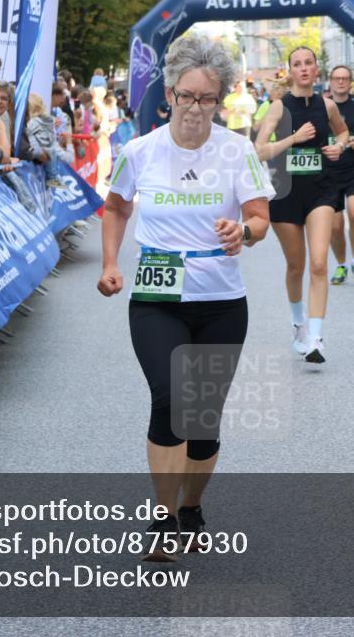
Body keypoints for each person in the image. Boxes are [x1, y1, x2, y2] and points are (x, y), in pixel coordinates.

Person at [97, 35, 272, 560]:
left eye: (207, 98)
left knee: (203, 415)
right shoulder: (139, 151)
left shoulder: (237, 150)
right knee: (171, 398)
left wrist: (246, 230)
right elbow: (114, 207)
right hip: (157, 296)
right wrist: (110, 263)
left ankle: (192, 505)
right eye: (187, 96)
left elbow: (262, 216)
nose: (196, 108)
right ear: (169, 94)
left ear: (221, 100)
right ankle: (165, 517)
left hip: (221, 299)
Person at [255, 46, 349, 363]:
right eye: (298, 64)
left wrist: (339, 146)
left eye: (309, 63)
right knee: (296, 266)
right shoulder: (278, 108)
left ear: (316, 70)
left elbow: (344, 132)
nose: (304, 68)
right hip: (286, 194)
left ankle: (316, 338)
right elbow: (259, 151)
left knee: (320, 263)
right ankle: (298, 324)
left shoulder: (327, 106)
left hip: (321, 192)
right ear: (290, 72)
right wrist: (292, 139)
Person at [326, 65, 354, 285]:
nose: (341, 82)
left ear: (350, 82)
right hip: (330, 172)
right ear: (330, 81)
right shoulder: (321, 105)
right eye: (337, 78)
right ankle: (341, 264)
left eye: (345, 78)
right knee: (334, 225)